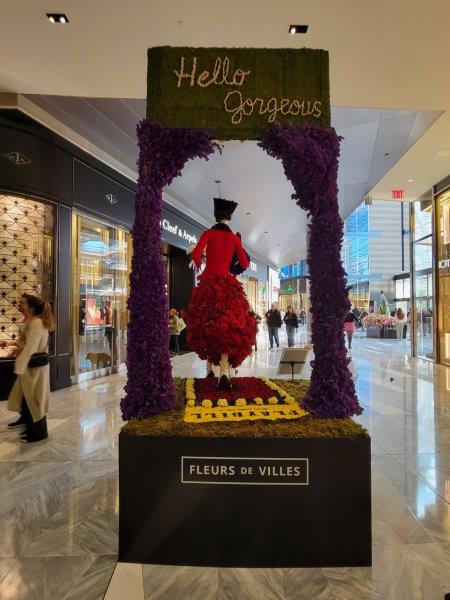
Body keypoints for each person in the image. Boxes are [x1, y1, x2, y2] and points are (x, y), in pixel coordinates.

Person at [187, 198, 255, 390]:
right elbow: (245, 263)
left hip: (208, 284)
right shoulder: (234, 238)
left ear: (216, 216)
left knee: (206, 324)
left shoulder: (208, 233)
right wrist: (230, 269)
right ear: (229, 218)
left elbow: (196, 254)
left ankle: (209, 367)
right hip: (227, 286)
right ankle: (224, 372)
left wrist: (201, 265)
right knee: (228, 329)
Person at [7, 295, 54, 443]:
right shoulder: (35, 322)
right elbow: (27, 344)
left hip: (34, 368)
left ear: (31, 308)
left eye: (23, 303)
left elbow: (31, 347)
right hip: (31, 367)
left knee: (35, 400)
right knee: (29, 399)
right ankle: (30, 429)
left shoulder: (37, 323)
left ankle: (39, 433)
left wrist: (19, 358)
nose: (19, 304)